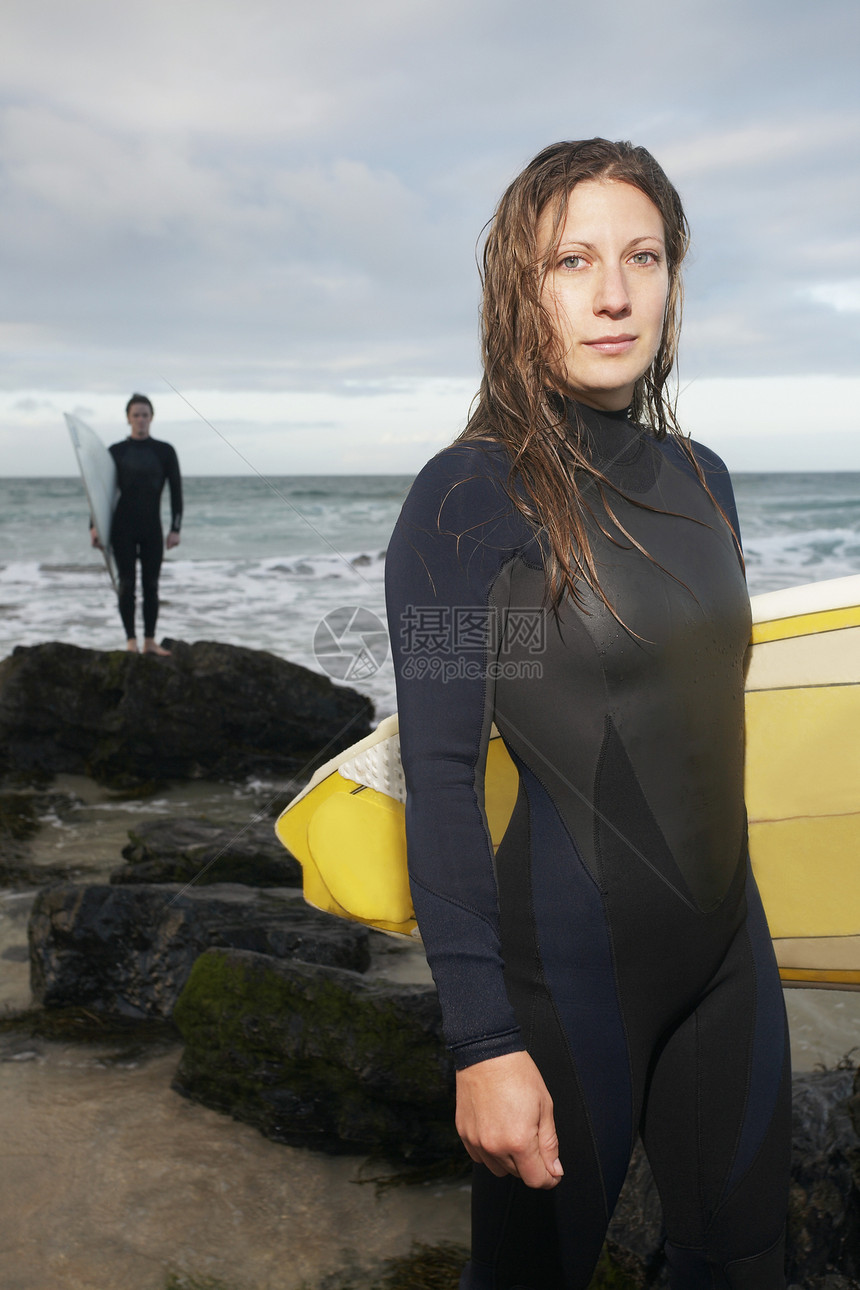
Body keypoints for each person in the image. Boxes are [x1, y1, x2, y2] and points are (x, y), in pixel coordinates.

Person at [385, 140, 790, 1290]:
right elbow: (446, 774)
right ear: (521, 286)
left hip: (726, 957)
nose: (614, 293)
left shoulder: (699, 477)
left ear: (671, 277)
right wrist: (480, 1042)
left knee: (746, 1269)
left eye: (642, 256)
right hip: (562, 983)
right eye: (573, 260)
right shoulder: (468, 500)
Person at [91, 393, 182, 655]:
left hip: (152, 527)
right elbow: (102, 493)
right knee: (127, 585)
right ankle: (131, 641)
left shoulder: (164, 451)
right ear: (128, 419)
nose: (141, 420)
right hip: (123, 528)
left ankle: (150, 641)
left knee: (151, 586)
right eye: (136, 415)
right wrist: (94, 525)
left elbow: (177, 491)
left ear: (151, 418)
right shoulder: (116, 452)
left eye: (145, 414)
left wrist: (176, 528)